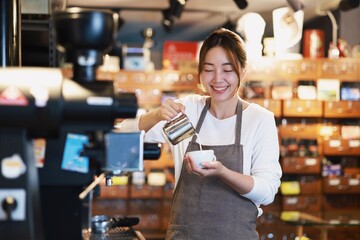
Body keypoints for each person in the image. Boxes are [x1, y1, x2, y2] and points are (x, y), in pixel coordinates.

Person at [120, 28, 282, 240]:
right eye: (208, 69)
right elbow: (122, 135)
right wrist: (157, 115)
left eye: (227, 69)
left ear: (242, 71)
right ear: (200, 72)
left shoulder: (260, 120)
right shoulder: (189, 110)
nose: (217, 79)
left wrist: (223, 173)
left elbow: (267, 191)